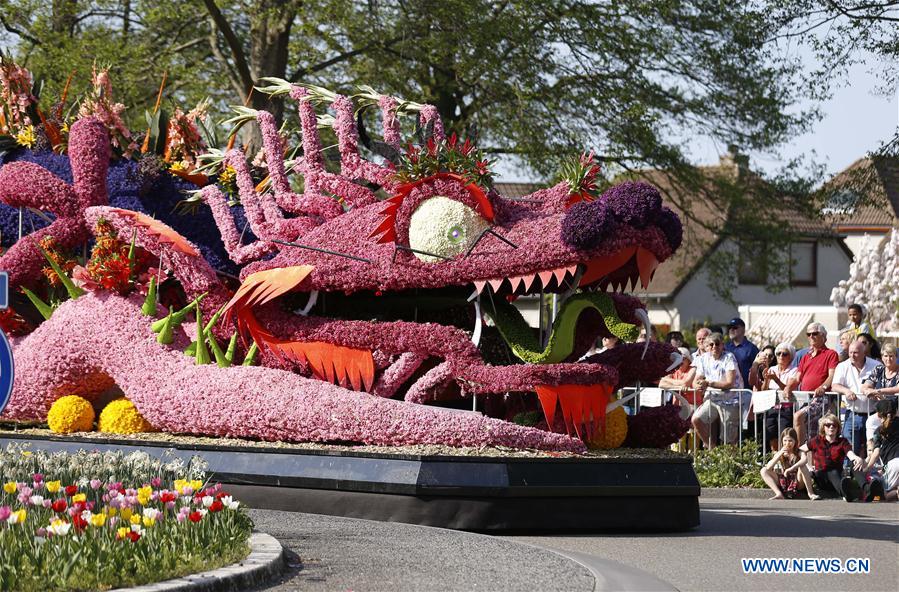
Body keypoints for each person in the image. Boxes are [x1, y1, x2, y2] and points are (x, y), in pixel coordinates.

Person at [784, 322, 839, 445]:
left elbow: (832, 375)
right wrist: (788, 387)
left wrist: (823, 387)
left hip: (821, 398)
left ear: (823, 336)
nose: (811, 336)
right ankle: (807, 462)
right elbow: (797, 378)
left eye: (815, 333)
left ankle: (799, 452)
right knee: (811, 434)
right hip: (805, 398)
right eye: (809, 334)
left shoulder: (831, 354)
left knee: (798, 417)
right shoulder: (805, 357)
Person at [691, 333, 744, 448]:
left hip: (731, 399)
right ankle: (713, 450)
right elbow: (695, 381)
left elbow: (729, 383)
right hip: (713, 399)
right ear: (707, 347)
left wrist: (708, 383)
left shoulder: (729, 357)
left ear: (722, 345)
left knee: (728, 439)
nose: (714, 346)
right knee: (696, 420)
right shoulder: (703, 359)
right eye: (711, 344)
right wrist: (699, 386)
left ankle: (731, 464)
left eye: (717, 344)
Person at [830, 340, 879, 456]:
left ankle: (872, 474)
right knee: (850, 449)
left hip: (873, 414)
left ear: (864, 353)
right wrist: (846, 391)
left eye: (856, 352)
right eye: (850, 352)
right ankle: (849, 473)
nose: (852, 355)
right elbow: (835, 386)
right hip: (852, 414)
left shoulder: (876, 365)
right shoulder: (842, 366)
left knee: (872, 448)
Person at [801, 413, 866, 501]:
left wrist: (856, 458)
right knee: (832, 472)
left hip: (838, 477)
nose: (831, 427)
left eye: (834, 425)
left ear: (838, 428)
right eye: (828, 425)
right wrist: (807, 464)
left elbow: (850, 453)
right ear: (823, 428)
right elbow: (800, 450)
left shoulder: (842, 441)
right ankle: (847, 493)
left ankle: (866, 488)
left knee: (854, 462)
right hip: (822, 477)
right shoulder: (816, 440)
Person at [760, 343, 799, 452]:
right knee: (771, 435)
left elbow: (788, 388)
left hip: (786, 408)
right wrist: (767, 379)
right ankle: (775, 459)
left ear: (790, 356)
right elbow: (764, 389)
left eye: (784, 354)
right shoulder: (772, 368)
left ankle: (785, 460)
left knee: (784, 435)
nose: (781, 356)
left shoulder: (794, 370)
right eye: (778, 353)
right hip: (772, 406)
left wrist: (775, 379)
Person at [760, 427, 818, 500]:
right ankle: (778, 493)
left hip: (797, 480)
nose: (787, 443)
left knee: (802, 466)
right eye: (785, 440)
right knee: (763, 470)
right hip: (784, 480)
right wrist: (779, 454)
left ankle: (811, 493)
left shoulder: (799, 451)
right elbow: (768, 467)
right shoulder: (779, 453)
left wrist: (791, 468)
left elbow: (804, 460)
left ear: (795, 441)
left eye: (790, 440)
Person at [861, 343, 899, 452]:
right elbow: (865, 385)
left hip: (896, 411)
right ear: (882, 357)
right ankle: (870, 450)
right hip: (882, 410)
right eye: (886, 356)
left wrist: (878, 391)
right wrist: (867, 391)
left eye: (891, 356)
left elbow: (897, 388)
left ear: (896, 357)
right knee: (871, 423)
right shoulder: (878, 369)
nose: (888, 359)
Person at [864, 399, 899, 502]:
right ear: (896, 411)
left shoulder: (879, 430)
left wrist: (867, 468)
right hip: (892, 464)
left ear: (879, 415)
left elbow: (876, 453)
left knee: (885, 496)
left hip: (893, 464)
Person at [724, 317, 759, 387]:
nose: (731, 330)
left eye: (735, 327)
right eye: (729, 328)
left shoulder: (751, 348)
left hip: (745, 390)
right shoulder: (725, 347)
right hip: (728, 390)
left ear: (743, 329)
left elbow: (757, 370)